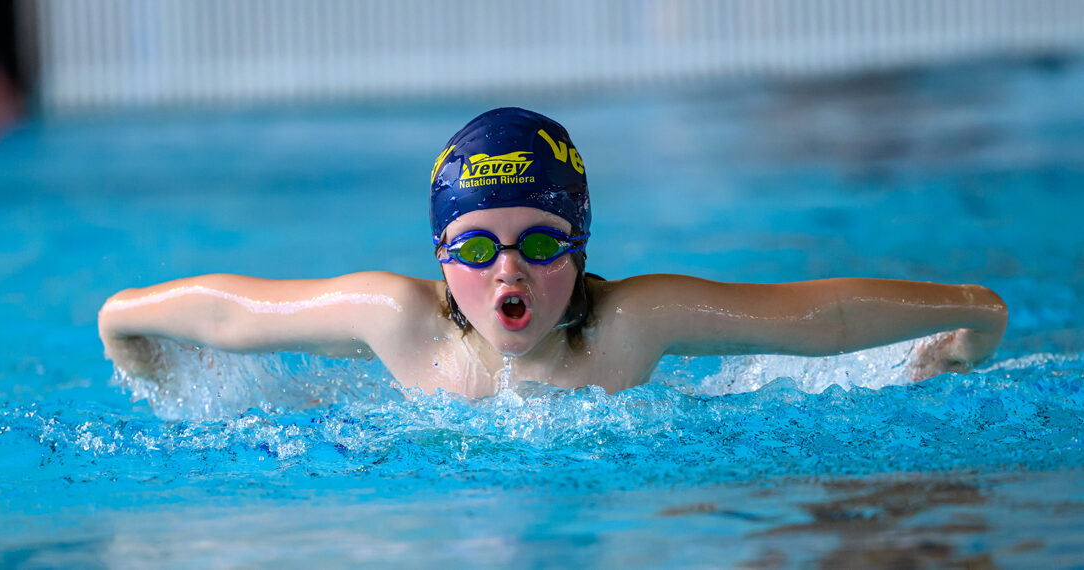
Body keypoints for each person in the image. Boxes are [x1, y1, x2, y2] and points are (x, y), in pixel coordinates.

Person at [98, 107, 1008, 398]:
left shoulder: (628, 328)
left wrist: (967, 310)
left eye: (539, 241)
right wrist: (124, 320)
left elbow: (814, 314)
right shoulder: (399, 324)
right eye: (475, 247)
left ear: (579, 249)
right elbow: (234, 311)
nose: (508, 271)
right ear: (437, 255)